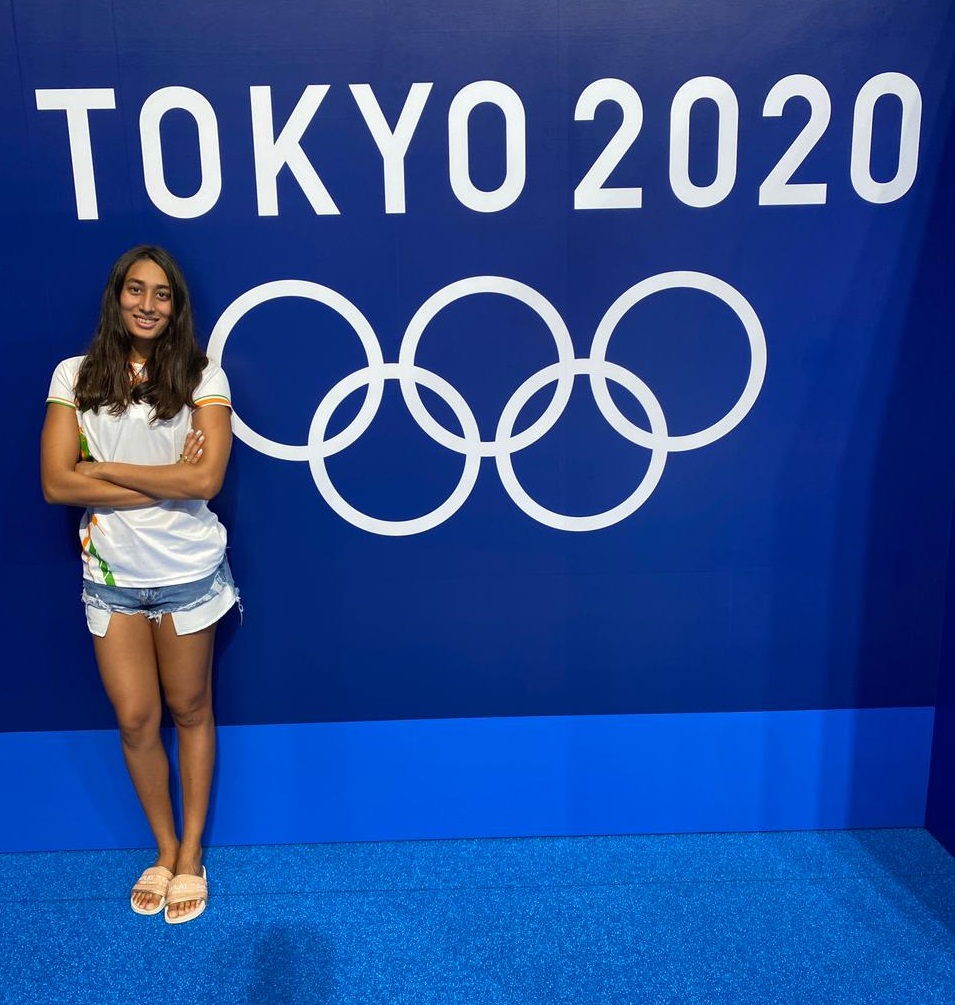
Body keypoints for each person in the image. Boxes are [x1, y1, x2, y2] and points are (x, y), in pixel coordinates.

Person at [40, 245, 237, 925]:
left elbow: (204, 483)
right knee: (135, 720)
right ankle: (160, 844)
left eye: (162, 294)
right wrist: (160, 480)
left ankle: (190, 855)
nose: (147, 304)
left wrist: (102, 470)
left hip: (187, 575)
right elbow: (56, 481)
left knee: (190, 712)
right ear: (116, 296)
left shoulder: (203, 374)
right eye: (135, 290)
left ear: (176, 306)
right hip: (112, 580)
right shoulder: (75, 374)